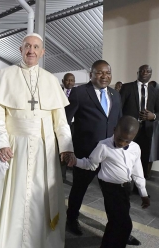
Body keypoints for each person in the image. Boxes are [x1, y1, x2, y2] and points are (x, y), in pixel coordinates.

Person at [0, 33, 75, 248]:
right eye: (27, 46)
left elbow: (61, 122)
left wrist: (66, 148)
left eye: (36, 47)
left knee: (42, 197)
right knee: (15, 198)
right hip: (15, 147)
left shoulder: (51, 80)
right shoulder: (5, 75)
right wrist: (1, 144)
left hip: (46, 149)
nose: (31, 50)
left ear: (42, 52)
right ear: (20, 49)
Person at [65, 60, 122, 235]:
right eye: (99, 72)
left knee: (113, 193)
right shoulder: (79, 93)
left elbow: (118, 121)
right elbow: (65, 121)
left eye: (107, 72)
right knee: (79, 189)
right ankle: (71, 219)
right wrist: (68, 148)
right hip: (86, 152)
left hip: (110, 152)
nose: (104, 76)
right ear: (91, 74)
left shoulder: (115, 94)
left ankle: (118, 227)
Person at [75, 116, 150, 248]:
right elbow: (91, 164)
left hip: (126, 188)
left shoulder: (135, 148)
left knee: (117, 221)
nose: (122, 143)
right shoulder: (103, 146)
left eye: (127, 141)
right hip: (110, 188)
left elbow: (137, 171)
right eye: (120, 139)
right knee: (123, 224)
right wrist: (75, 161)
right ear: (115, 130)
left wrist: (143, 192)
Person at [120, 65, 159, 179]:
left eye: (148, 71)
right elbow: (118, 108)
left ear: (151, 74)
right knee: (125, 156)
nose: (145, 72)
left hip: (146, 130)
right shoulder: (127, 87)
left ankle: (139, 186)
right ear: (138, 72)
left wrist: (153, 116)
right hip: (129, 130)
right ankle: (124, 183)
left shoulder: (155, 90)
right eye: (142, 70)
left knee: (143, 158)